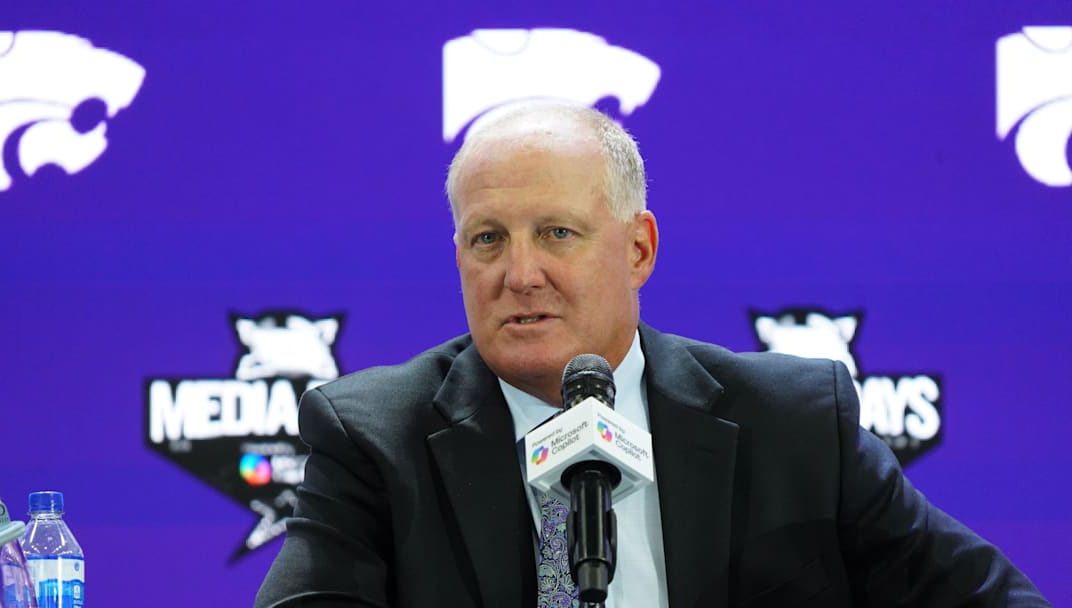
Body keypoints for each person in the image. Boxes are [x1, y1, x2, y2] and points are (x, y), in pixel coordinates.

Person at [256, 102, 1049, 607]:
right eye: (487, 239)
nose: (519, 273)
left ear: (639, 250)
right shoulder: (371, 435)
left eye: (557, 233)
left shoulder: (798, 424)